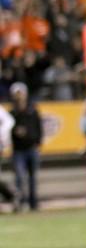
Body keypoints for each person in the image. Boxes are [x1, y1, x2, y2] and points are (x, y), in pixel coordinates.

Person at [10, 82, 42, 211]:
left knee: (32, 178)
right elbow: (8, 130)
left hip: (31, 148)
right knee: (19, 177)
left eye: (20, 94)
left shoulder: (32, 111)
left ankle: (33, 203)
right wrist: (15, 132)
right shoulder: (12, 113)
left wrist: (38, 142)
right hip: (18, 150)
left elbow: (38, 128)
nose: (19, 97)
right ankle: (20, 202)